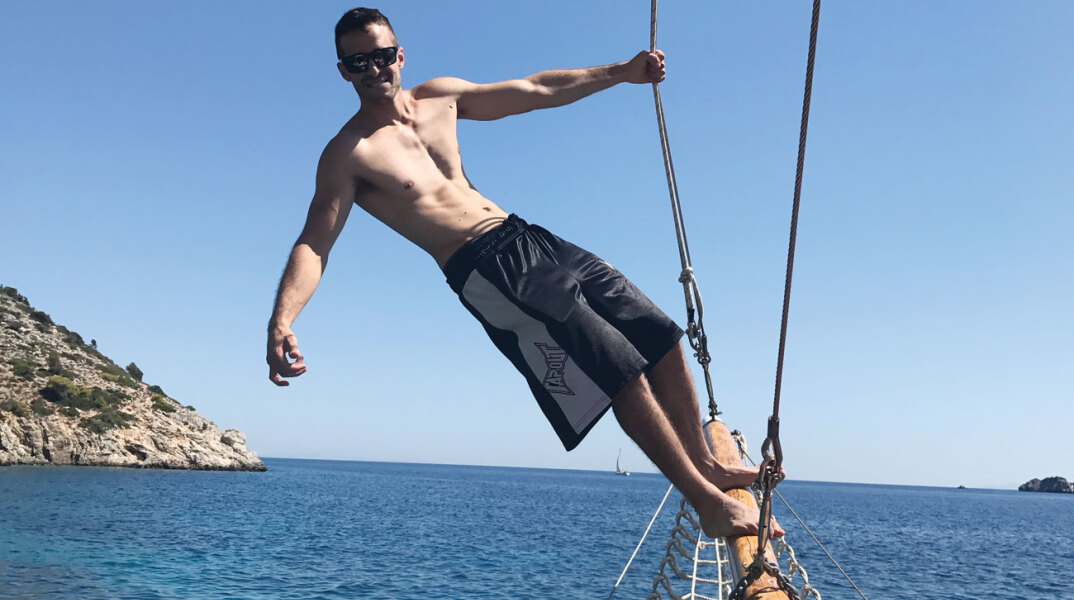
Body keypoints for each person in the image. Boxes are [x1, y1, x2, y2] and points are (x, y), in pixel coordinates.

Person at [266, 7, 784, 540]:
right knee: (615, 367)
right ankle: (706, 503)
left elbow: (534, 90)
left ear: (399, 55)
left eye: (380, 56)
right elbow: (315, 242)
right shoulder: (348, 154)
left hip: (527, 235)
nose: (373, 69)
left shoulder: (440, 97)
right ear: (344, 71)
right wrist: (283, 319)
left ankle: (709, 467)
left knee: (659, 334)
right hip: (483, 267)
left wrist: (623, 72)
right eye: (358, 62)